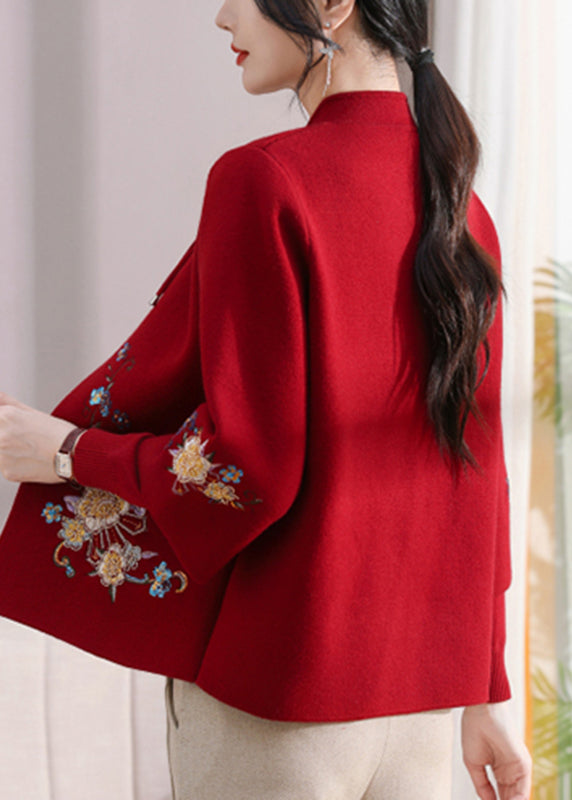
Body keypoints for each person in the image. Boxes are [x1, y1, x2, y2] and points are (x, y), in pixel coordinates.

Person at [0, 0, 532, 798]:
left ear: (331, 5)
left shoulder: (265, 179)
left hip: (282, 703)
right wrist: (487, 691)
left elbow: (247, 468)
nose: (223, 17)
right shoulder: (460, 203)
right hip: (420, 713)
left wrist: (69, 452)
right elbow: (477, 474)